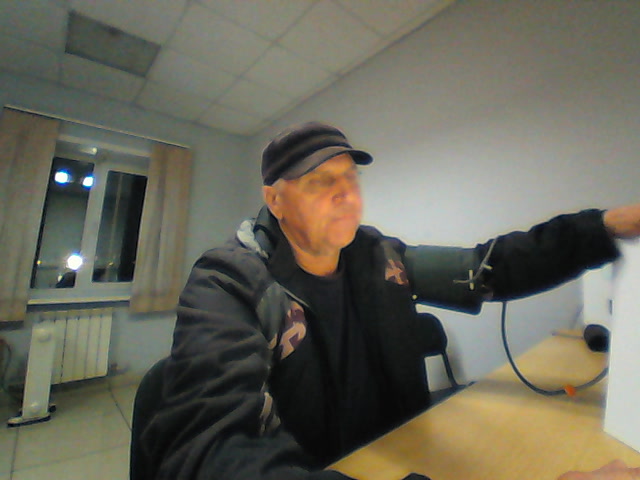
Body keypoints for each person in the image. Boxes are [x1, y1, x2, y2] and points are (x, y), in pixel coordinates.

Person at [140, 122, 640, 480]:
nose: (346, 195)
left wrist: (602, 228)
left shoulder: (380, 256)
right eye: (320, 182)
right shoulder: (227, 282)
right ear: (276, 201)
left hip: (403, 455)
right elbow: (209, 451)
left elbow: (487, 268)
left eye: (350, 178)